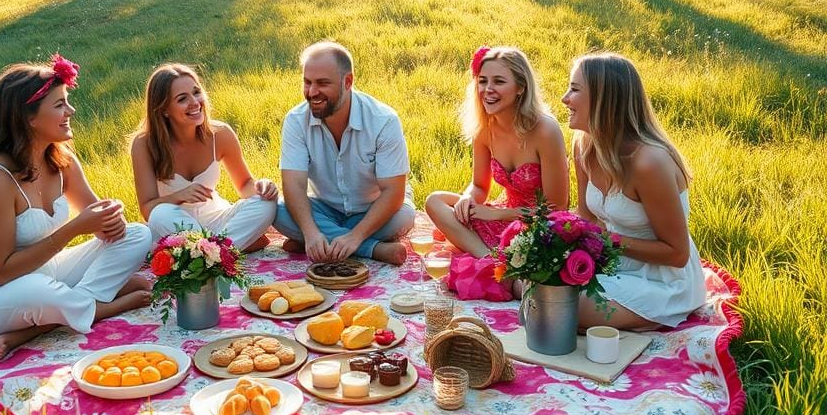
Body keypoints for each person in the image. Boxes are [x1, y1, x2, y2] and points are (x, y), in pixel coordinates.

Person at [0, 56, 152, 360]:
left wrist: (112, 218)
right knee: (38, 290)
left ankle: (41, 326)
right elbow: (2, 272)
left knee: (139, 235)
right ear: (27, 118)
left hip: (50, 273)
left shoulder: (61, 160)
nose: (70, 111)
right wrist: (73, 229)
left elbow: (99, 222)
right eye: (59, 105)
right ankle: (104, 307)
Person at [562, 52, 707, 329]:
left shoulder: (649, 162)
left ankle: (646, 315)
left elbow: (677, 253)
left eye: (575, 89)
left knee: (568, 309)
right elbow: (586, 217)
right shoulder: (584, 145)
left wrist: (608, 241)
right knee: (532, 286)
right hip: (614, 263)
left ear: (605, 99)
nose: (565, 98)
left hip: (663, 278)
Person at [274, 41, 415, 265]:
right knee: (278, 210)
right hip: (325, 207)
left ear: (348, 81)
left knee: (403, 217)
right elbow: (294, 186)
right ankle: (373, 249)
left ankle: (320, 242)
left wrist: (356, 235)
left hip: (373, 210)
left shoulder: (384, 120)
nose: (312, 92)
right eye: (307, 82)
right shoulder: (295, 120)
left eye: (322, 83)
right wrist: (310, 232)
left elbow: (393, 193)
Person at [426, 46, 568, 257]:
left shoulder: (545, 130)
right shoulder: (484, 128)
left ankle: (494, 262)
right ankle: (490, 260)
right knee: (434, 201)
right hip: (501, 216)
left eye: (499, 81)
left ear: (521, 87)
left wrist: (497, 214)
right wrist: (467, 198)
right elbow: (479, 187)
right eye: (483, 81)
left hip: (539, 226)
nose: (488, 89)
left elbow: (555, 209)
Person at [131, 63, 277, 251]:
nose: (195, 102)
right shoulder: (144, 144)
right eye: (182, 99)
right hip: (176, 226)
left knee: (266, 203)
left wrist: (261, 187)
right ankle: (226, 249)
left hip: (218, 220)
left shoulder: (220, 133)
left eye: (196, 92)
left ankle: (208, 253)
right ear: (164, 110)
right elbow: (148, 208)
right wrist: (180, 196)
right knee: (159, 214)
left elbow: (244, 184)